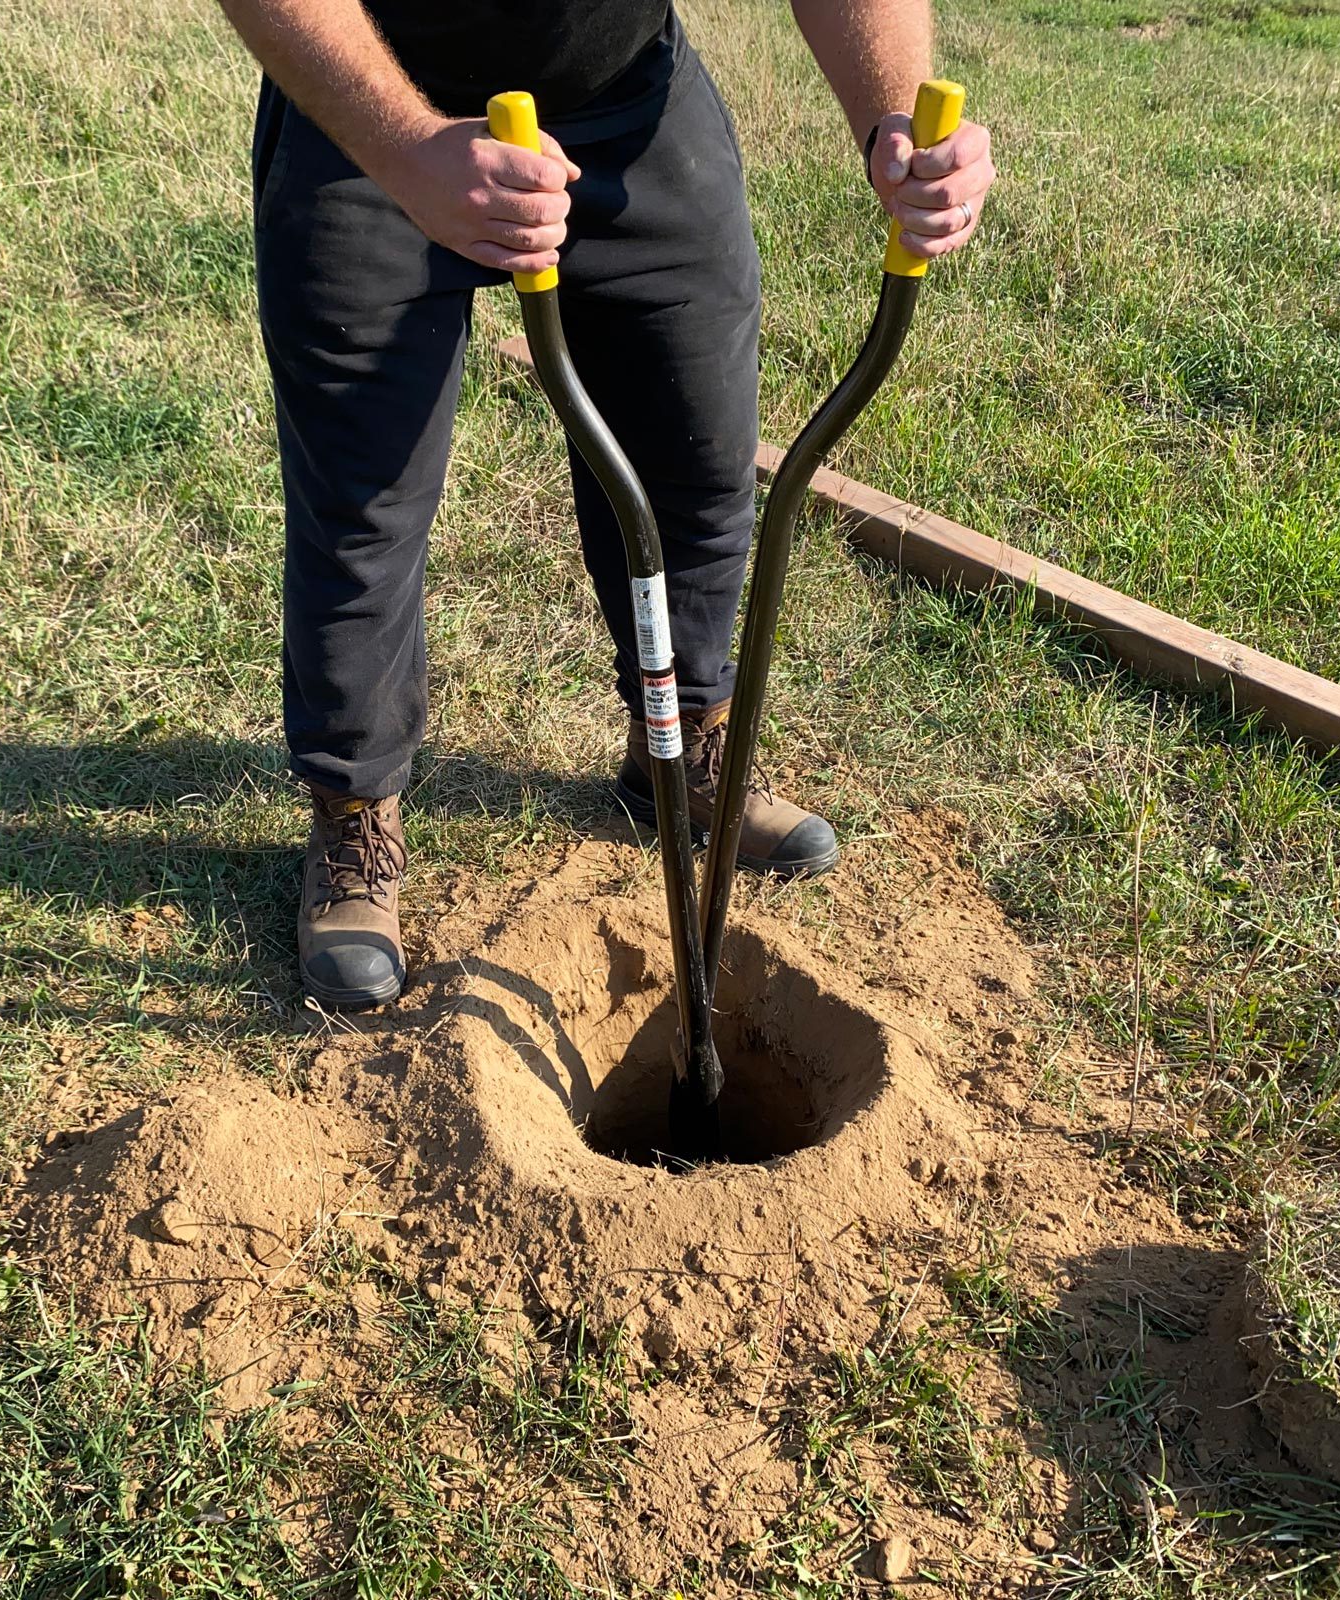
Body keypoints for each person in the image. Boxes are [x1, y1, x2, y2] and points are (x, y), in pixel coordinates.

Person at [216, 0, 996, 1011]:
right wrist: (409, 153)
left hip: (628, 105)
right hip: (371, 130)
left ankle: (682, 745)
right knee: (363, 506)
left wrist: (894, 120)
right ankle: (355, 816)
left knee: (694, 460)